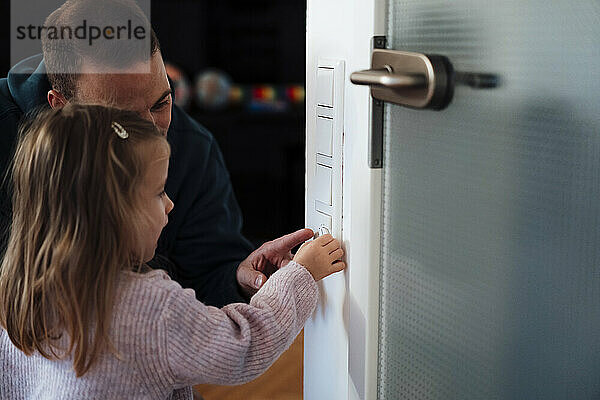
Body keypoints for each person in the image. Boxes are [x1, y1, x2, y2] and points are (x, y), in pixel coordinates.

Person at [0, 104, 345, 399]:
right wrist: (301, 273)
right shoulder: (150, 307)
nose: (169, 205)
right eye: (158, 193)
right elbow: (244, 344)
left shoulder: (17, 297)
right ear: (110, 212)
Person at [0, 0, 314, 308]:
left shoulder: (194, 150)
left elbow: (207, 279)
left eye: (161, 103)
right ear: (61, 106)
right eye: (124, 119)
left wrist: (239, 279)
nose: (153, 133)